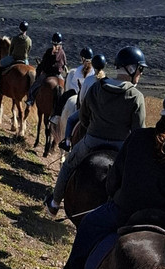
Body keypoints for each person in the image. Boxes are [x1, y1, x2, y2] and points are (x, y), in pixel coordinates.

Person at [51, 85, 165, 269]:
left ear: (163, 110)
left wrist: (114, 196)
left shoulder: (137, 138)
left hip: (123, 213)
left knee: (88, 225)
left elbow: (113, 180)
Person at [44, 45, 148, 216]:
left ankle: (54, 203)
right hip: (121, 147)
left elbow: (83, 118)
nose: (141, 73)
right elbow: (138, 132)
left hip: (92, 141)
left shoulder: (97, 87)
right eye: (140, 69)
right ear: (131, 69)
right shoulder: (136, 97)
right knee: (137, 179)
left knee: (68, 164)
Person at [60, 51, 104, 151]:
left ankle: (66, 143)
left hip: (88, 109)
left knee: (70, 120)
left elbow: (81, 98)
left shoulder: (88, 80)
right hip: (101, 112)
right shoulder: (106, 80)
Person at [25, 32, 66, 107]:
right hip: (58, 74)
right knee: (65, 88)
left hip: (47, 73)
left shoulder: (49, 51)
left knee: (34, 86)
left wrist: (40, 70)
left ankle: (30, 100)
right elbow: (64, 64)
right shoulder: (62, 52)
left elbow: (44, 63)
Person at [0, 21, 31, 89]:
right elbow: (29, 50)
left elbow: (10, 50)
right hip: (24, 60)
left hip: (14, 58)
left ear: (19, 29)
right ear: (26, 29)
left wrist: (11, 54)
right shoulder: (29, 40)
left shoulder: (15, 38)